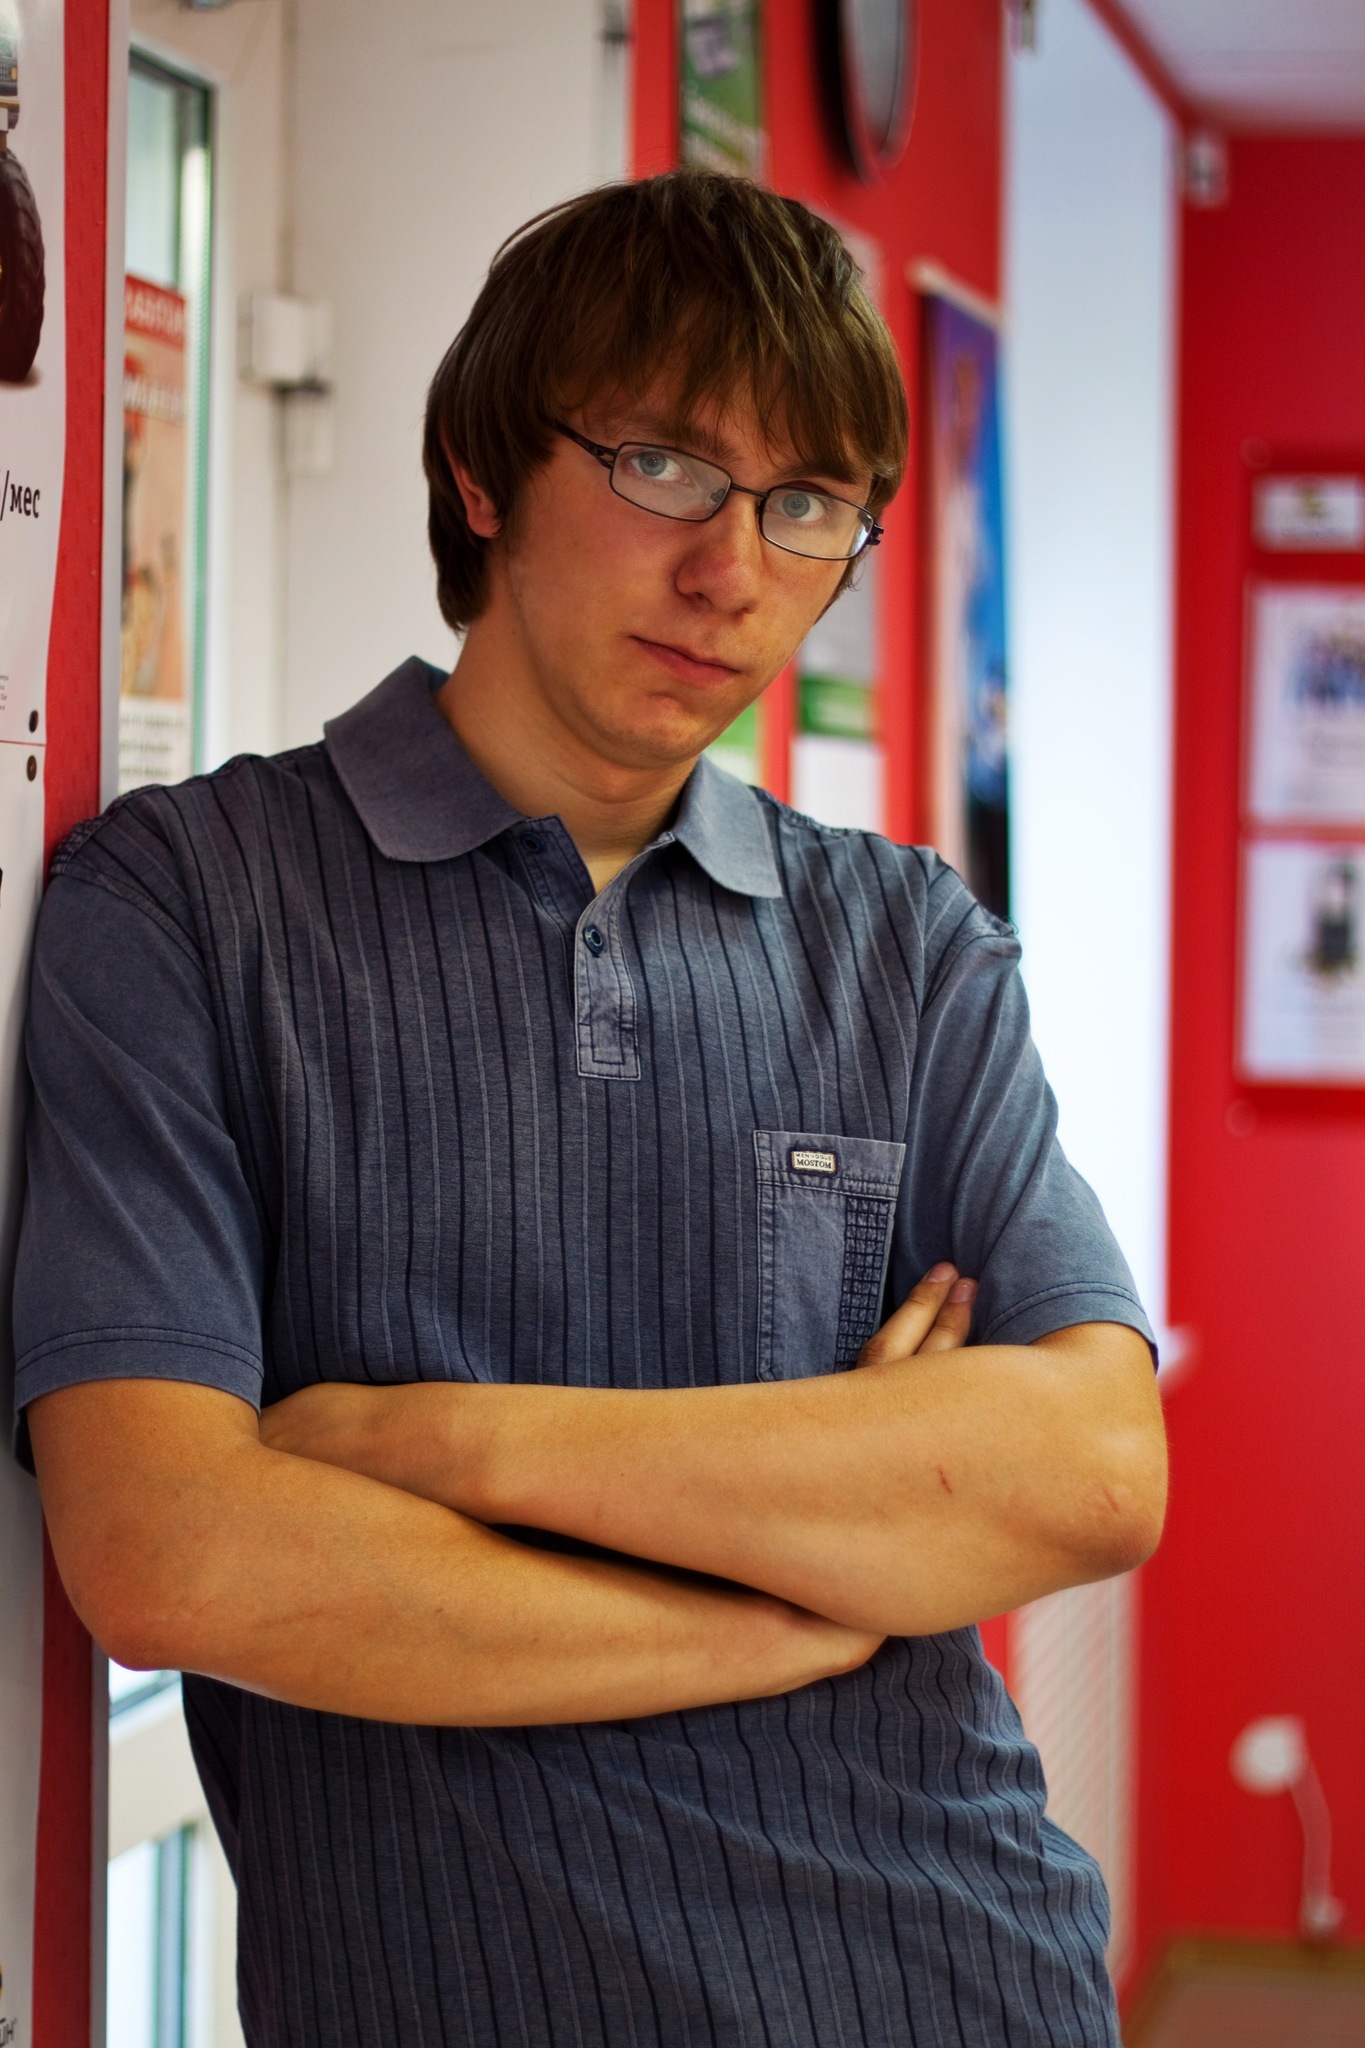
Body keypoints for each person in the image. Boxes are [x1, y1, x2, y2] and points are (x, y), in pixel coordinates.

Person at [17, 173, 1166, 2047]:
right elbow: (176, 1554)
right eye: (663, 467)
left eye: (807, 505)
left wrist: (441, 1442)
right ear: (482, 473)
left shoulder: (908, 944)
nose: (734, 572)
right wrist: (796, 1603)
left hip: (964, 1987)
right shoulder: (186, 905)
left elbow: (1095, 1471)